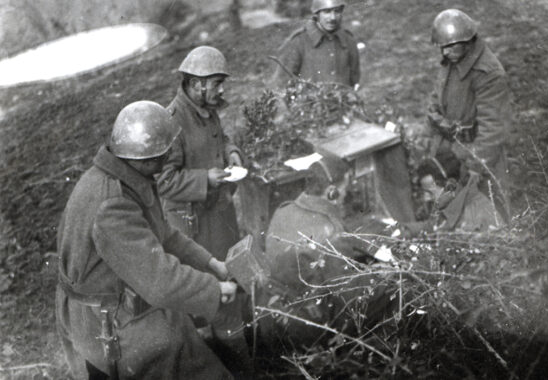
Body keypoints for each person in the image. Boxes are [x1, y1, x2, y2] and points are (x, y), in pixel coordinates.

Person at [55, 101, 238, 379]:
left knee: (186, 335)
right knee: (199, 368)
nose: (168, 161)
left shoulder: (121, 176)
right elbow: (159, 282)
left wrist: (212, 264)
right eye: (165, 155)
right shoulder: (113, 204)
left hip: (114, 303)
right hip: (105, 323)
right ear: (146, 159)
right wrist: (214, 290)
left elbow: (164, 235)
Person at [156, 46, 252, 377]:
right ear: (197, 84)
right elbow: (164, 181)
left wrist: (233, 152)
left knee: (232, 283)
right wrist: (206, 178)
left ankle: (237, 350)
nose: (222, 90)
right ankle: (225, 363)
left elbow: (221, 139)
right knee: (209, 296)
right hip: (193, 228)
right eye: (217, 83)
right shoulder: (171, 122)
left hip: (220, 216)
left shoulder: (208, 110)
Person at [260, 156, 394, 346]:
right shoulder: (330, 233)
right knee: (392, 289)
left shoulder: (283, 210)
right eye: (345, 189)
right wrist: (383, 276)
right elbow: (351, 300)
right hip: (311, 326)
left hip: (277, 310)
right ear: (331, 193)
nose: (346, 194)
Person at [424, 8, 512, 228]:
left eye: (450, 46)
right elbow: (438, 97)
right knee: (449, 214)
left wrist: (477, 167)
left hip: (476, 154)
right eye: (442, 47)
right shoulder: (453, 57)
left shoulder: (488, 73)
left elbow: (494, 128)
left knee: (488, 218)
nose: (445, 53)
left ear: (468, 40)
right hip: (449, 148)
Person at [271, 0, 360, 88]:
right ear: (317, 14)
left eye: (337, 11)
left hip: (341, 101)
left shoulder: (348, 40)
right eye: (327, 12)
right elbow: (281, 84)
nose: (332, 17)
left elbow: (355, 80)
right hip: (308, 101)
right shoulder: (299, 41)